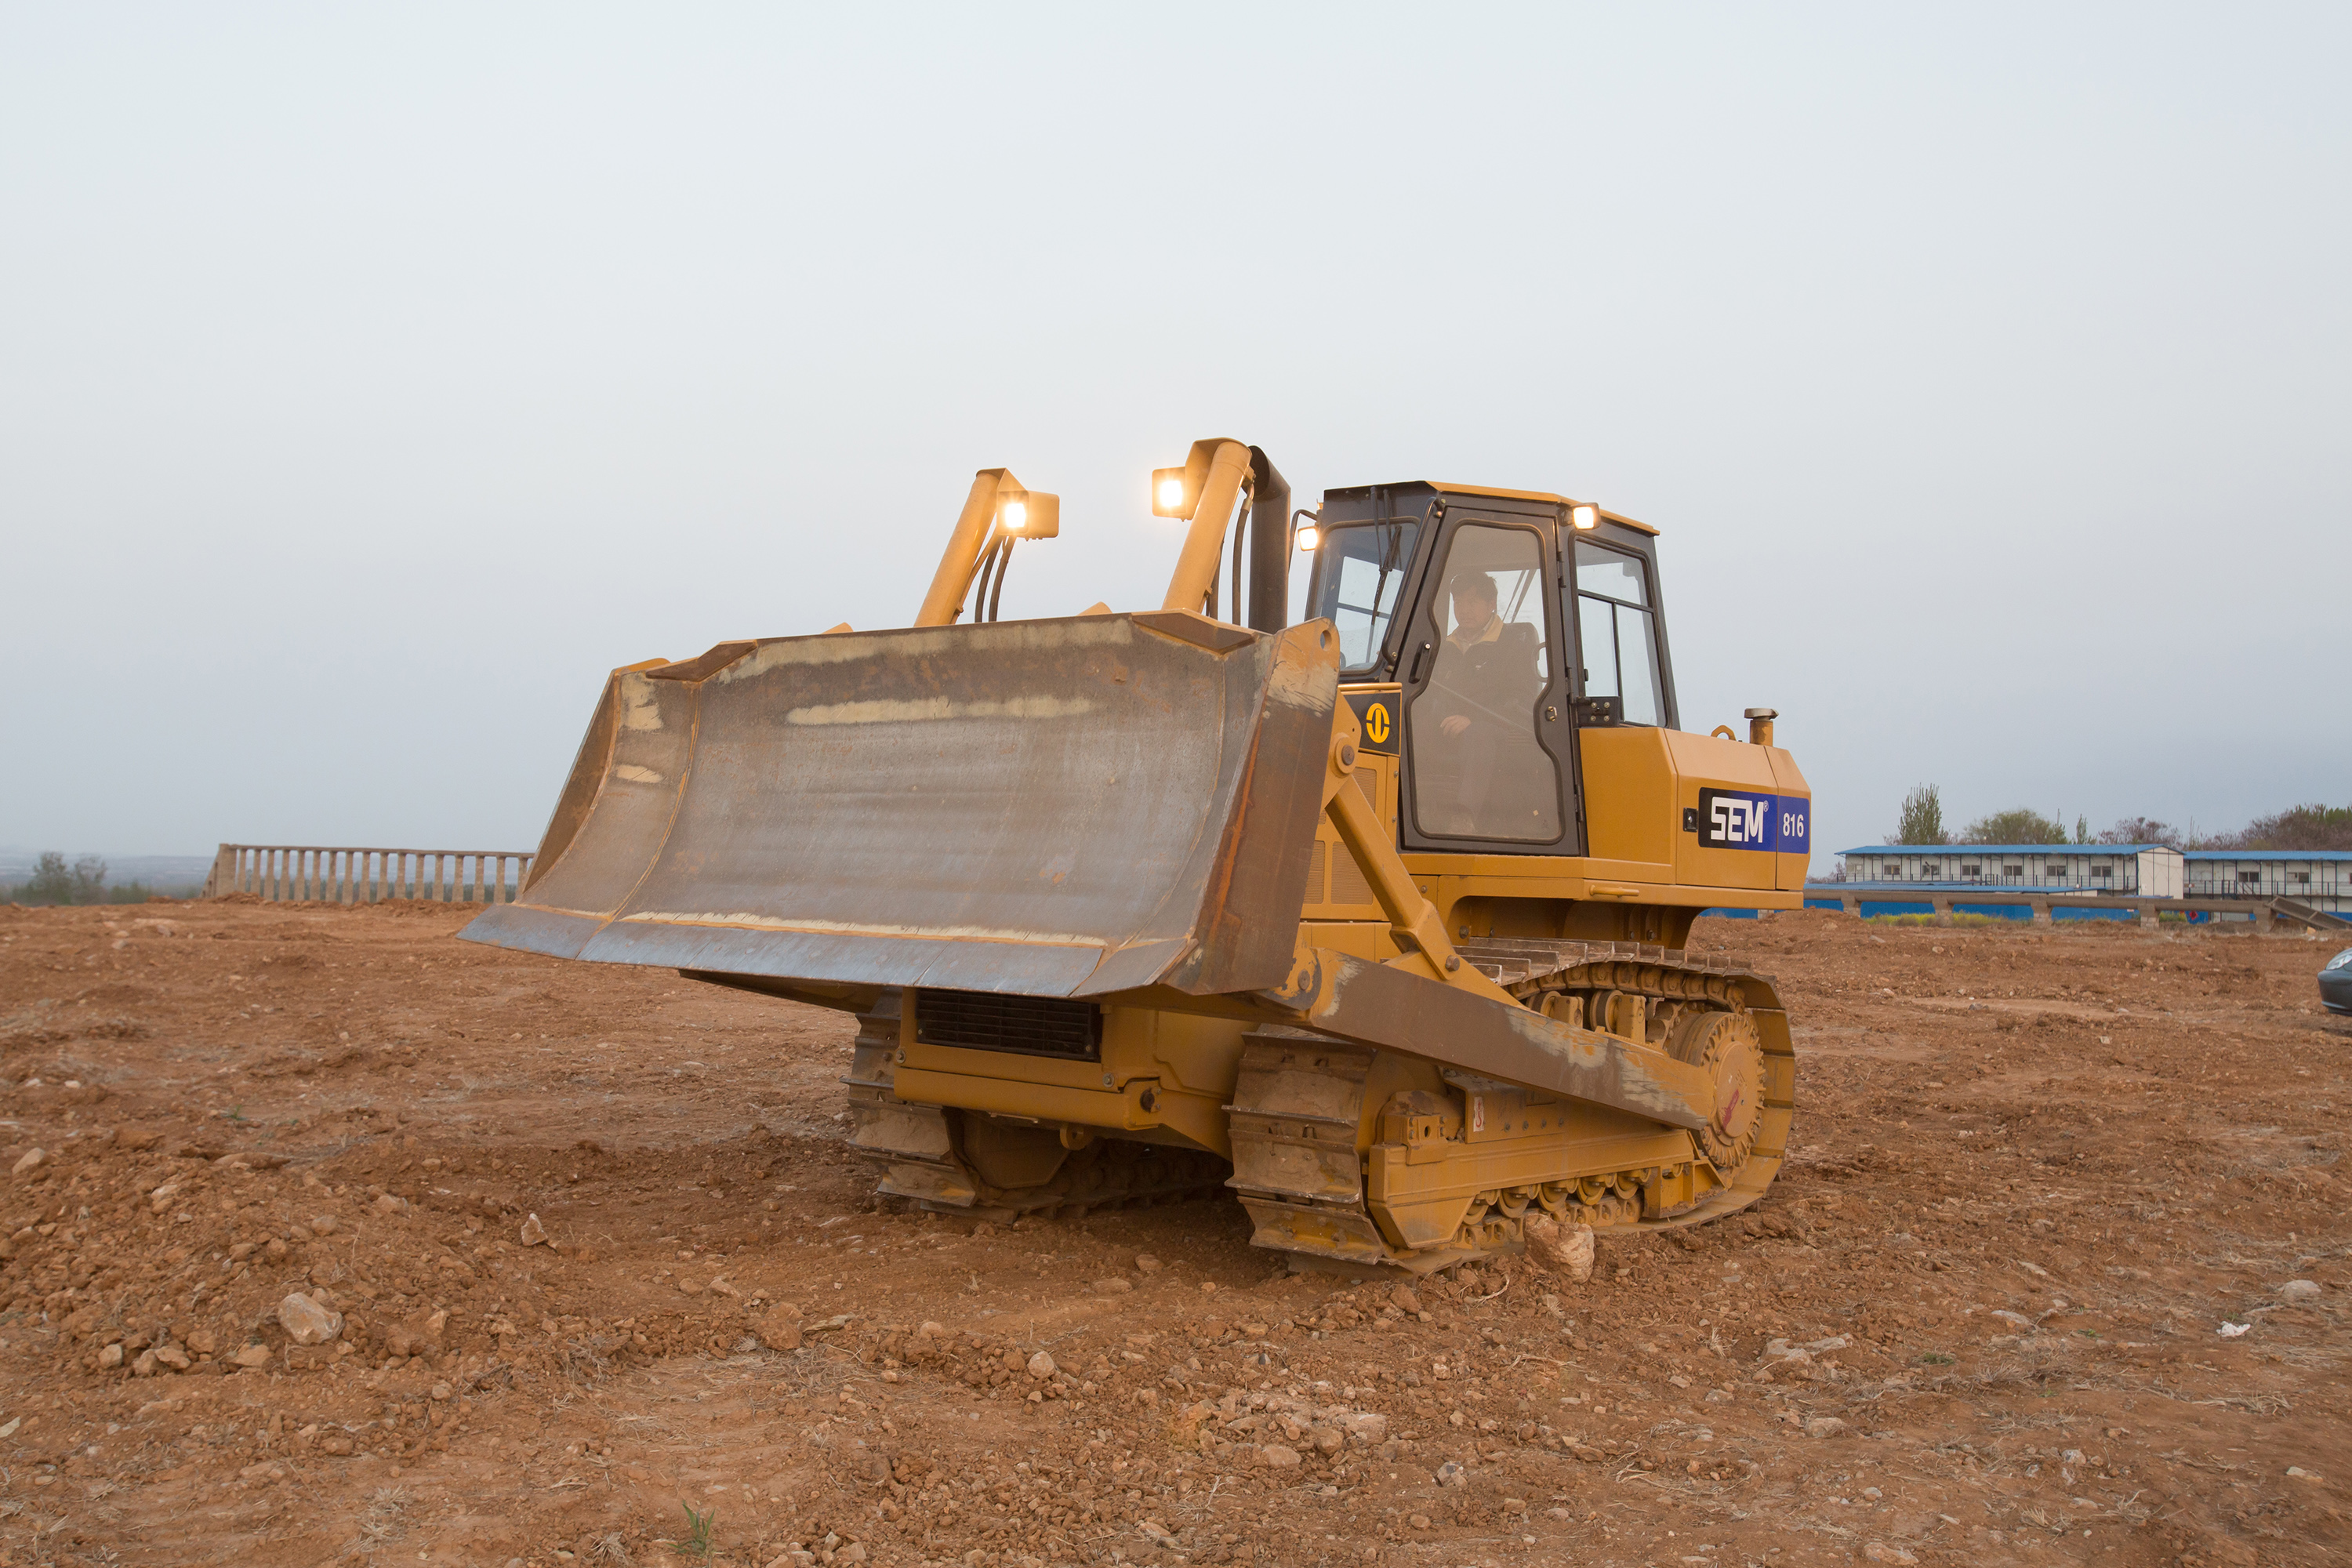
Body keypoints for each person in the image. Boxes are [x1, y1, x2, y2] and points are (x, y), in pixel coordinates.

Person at [1421, 571, 1541, 835]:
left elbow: (1521, 699)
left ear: (1491, 604)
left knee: (1480, 735)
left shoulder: (1511, 645)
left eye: (1473, 602)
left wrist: (1473, 720)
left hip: (1500, 731)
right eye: (1459, 602)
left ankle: (1463, 818)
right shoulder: (1445, 647)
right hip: (1450, 727)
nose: (1465, 610)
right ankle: (1414, 809)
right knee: (1411, 727)